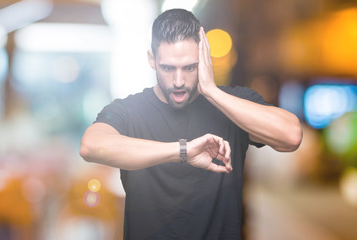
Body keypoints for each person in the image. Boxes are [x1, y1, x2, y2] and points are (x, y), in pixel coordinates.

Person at [79, 8, 302, 240]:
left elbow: (291, 136)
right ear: (151, 60)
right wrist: (183, 151)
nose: (178, 81)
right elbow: (91, 146)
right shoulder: (130, 110)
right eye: (168, 68)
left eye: (189, 67)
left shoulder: (232, 105)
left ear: (204, 61)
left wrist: (212, 92)